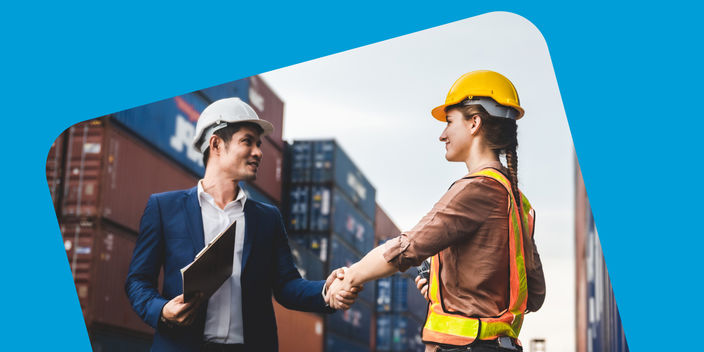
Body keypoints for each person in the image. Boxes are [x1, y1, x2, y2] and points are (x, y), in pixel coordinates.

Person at [326, 71, 546, 352]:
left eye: (449, 122)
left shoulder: (477, 188)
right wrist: (447, 285)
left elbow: (406, 248)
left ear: (474, 123)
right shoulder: (517, 202)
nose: (442, 135)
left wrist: (349, 278)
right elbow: (535, 295)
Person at [125, 97, 361, 352]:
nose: (258, 152)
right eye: (247, 141)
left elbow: (287, 286)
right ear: (216, 144)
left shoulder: (267, 218)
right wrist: (162, 310)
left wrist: (327, 290)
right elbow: (138, 281)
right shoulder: (164, 208)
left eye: (259, 144)